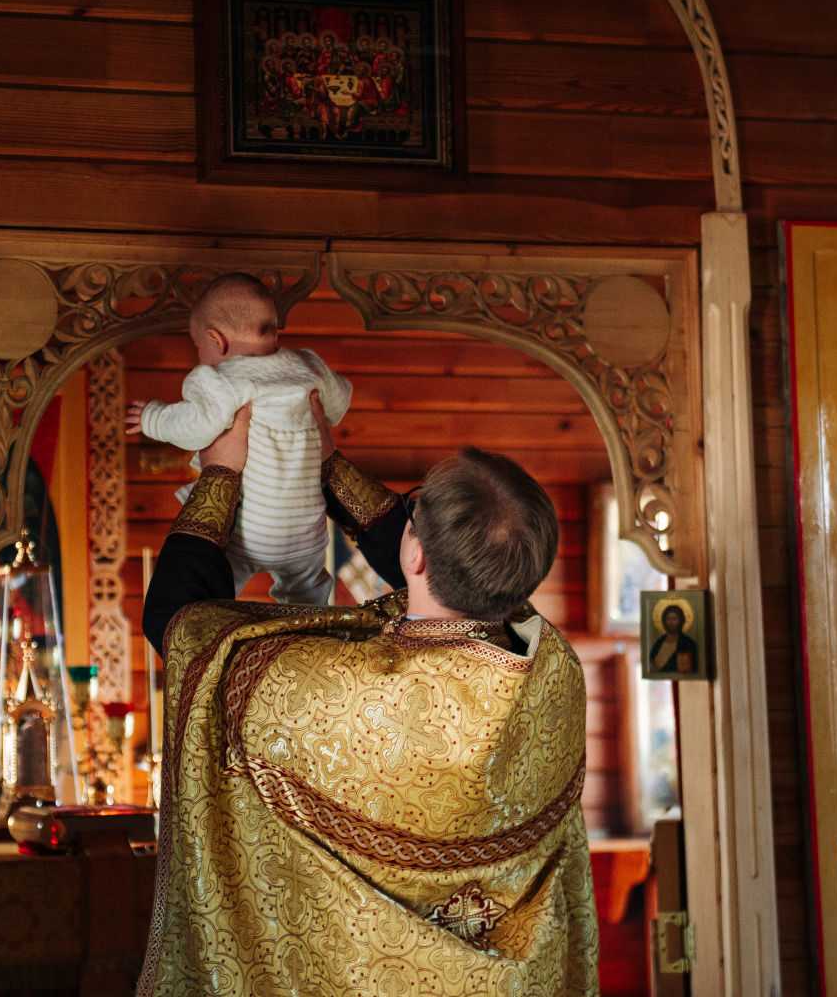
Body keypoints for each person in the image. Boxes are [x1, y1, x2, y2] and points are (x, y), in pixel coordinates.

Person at [136, 398, 596, 996]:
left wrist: (220, 474)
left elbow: (183, 625)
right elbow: (449, 566)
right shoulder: (553, 673)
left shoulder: (333, 694)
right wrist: (330, 464)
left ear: (416, 554)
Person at [125, 274, 351, 605]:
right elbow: (341, 399)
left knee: (210, 594)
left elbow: (197, 427)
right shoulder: (309, 366)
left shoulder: (219, 379)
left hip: (248, 534)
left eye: (197, 344)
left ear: (217, 341)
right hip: (306, 537)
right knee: (307, 601)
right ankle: (309, 635)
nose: (199, 353)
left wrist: (153, 418)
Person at [648, 603, 698, 675]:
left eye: (674, 619)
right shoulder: (658, 643)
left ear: (680, 621)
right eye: (668, 619)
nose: (671, 622)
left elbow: (689, 669)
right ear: (664, 621)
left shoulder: (687, 643)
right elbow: (651, 664)